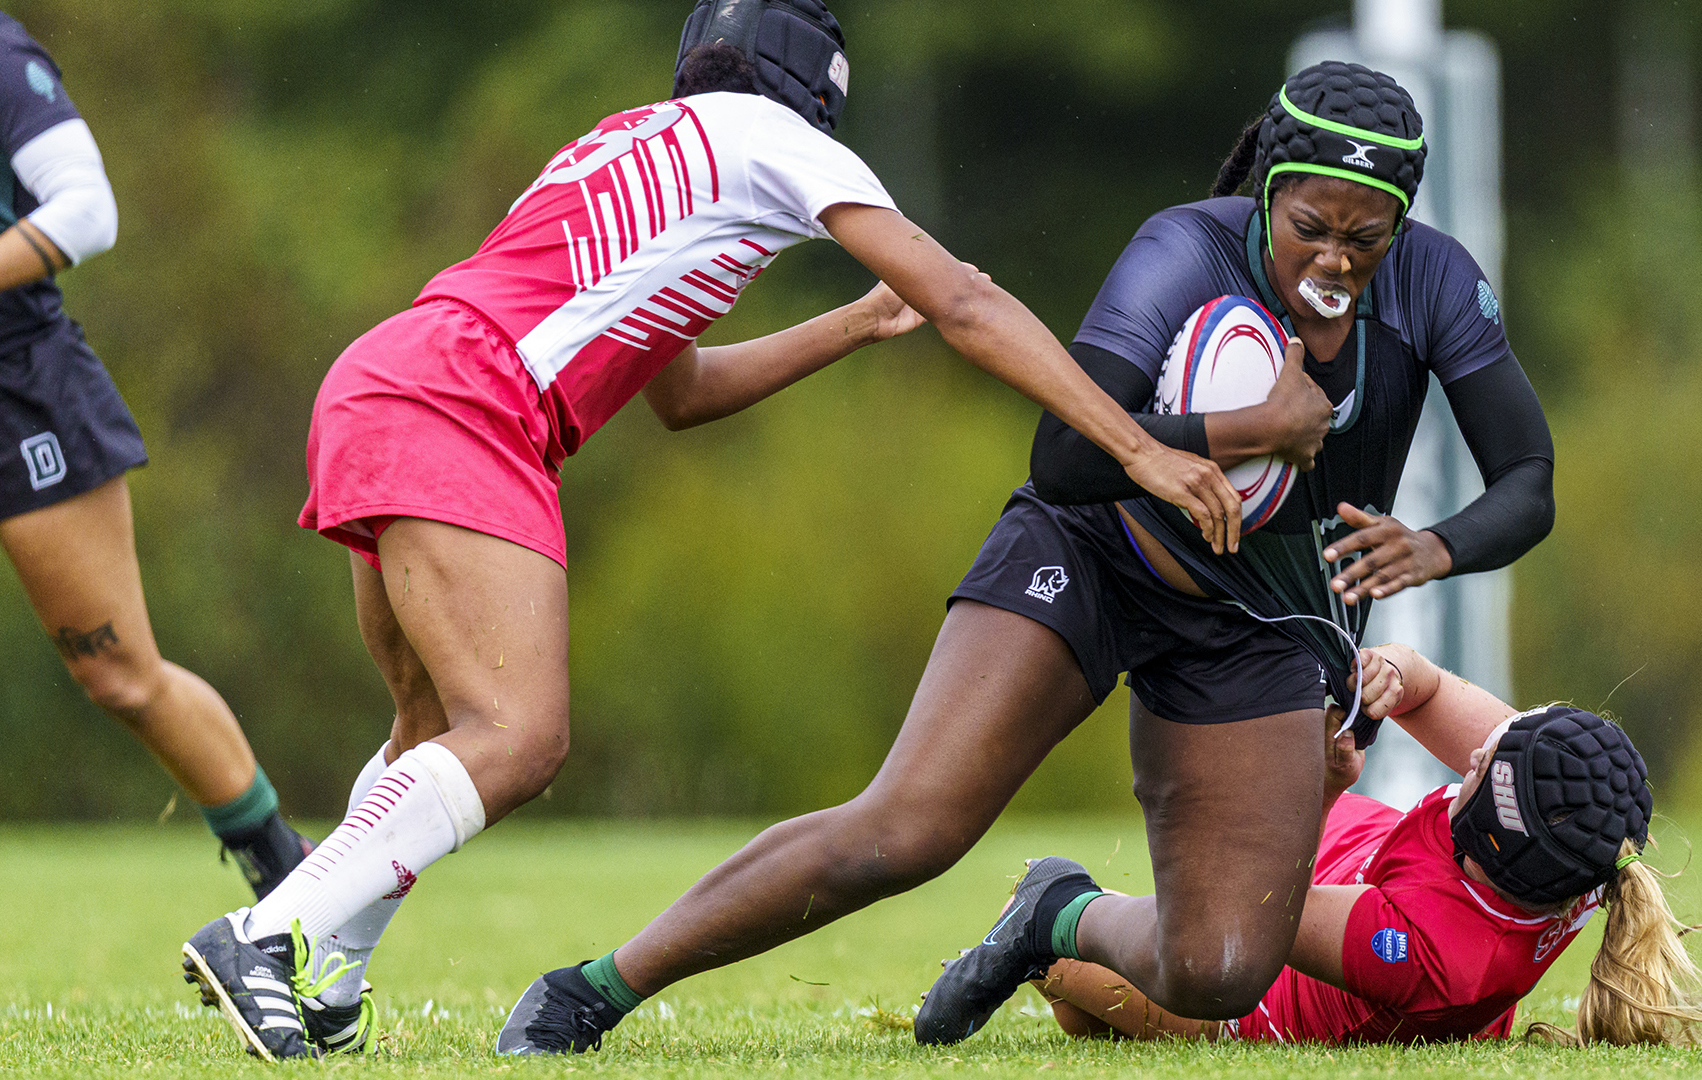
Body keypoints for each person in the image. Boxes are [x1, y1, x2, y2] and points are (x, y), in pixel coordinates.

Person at [178, 0, 1239, 1062]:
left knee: (431, 729)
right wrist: (1137, 448)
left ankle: (329, 981)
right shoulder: (773, 140)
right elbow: (963, 301)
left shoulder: (629, 141)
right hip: (472, 404)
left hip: (393, 375)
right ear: (820, 94)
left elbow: (678, 390)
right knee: (518, 736)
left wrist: (860, 320)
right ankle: (269, 934)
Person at [492, 62, 1554, 1056]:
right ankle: (593, 987)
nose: (1334, 262)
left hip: (1256, 627)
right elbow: (1063, 460)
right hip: (1094, 552)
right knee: (906, 832)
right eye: (1311, 229)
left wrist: (1436, 544)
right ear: (1267, 190)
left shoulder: (1434, 286)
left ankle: (1060, 911)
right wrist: (1244, 430)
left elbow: (1528, 482)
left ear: (1401, 228)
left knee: (1222, 969)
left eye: (1364, 242)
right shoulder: (1184, 249)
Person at [1023, 643, 1702, 1047]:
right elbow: (1431, 692)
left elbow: (1259, 916)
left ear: (1488, 844)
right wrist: (1398, 676)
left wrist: (1323, 786)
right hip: (1363, 868)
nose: (1471, 756)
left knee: (1068, 982)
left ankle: (1054, 907)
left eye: (1481, 767)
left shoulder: (1440, 961)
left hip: (1259, 984)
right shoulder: (1578, 842)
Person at [0, 15, 309, 898]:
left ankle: (292, 891)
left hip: (20, 389)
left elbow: (89, 212)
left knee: (121, 677)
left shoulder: (3, 62)